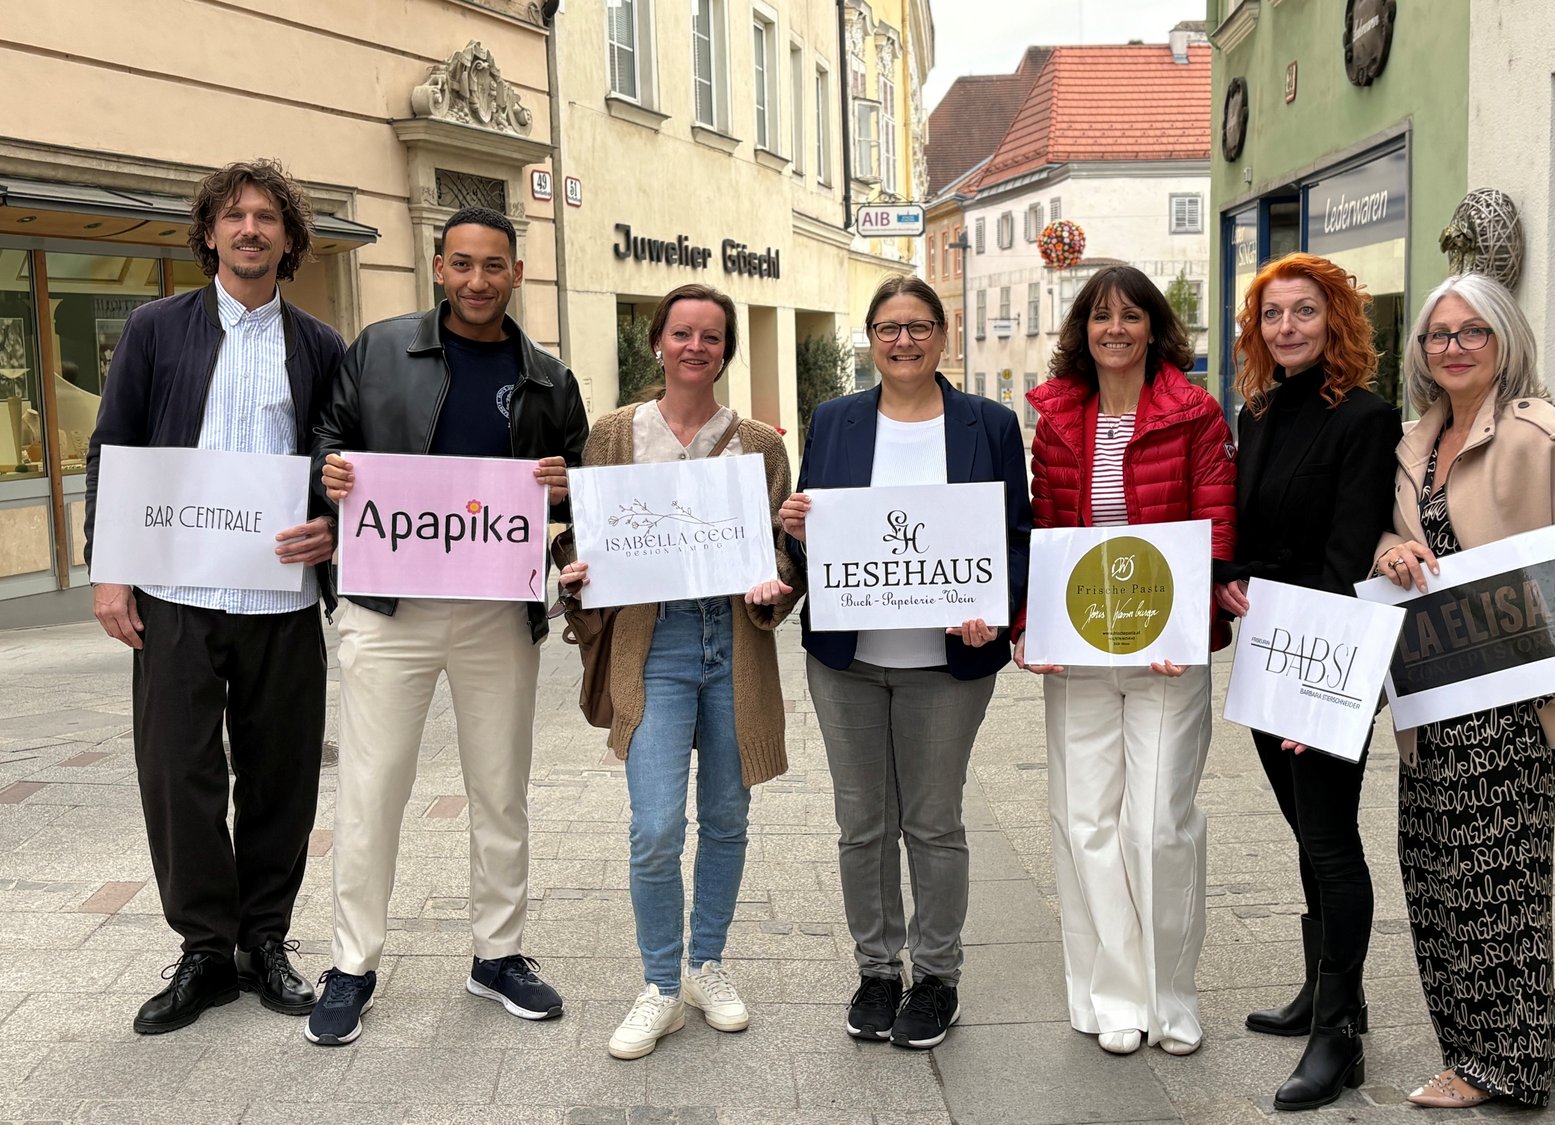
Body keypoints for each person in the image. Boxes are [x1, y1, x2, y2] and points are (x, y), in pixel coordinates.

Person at [307, 205, 589, 1046]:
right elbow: (329, 436)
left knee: (500, 788)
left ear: (515, 272)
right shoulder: (380, 349)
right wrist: (329, 473)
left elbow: (582, 482)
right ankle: (352, 963)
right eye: (461, 264)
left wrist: (566, 485)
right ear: (438, 268)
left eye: (493, 265)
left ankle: (497, 954)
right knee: (372, 787)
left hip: (496, 607)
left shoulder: (546, 374)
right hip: (386, 605)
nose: (477, 280)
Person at [83, 159, 345, 1034]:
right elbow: (112, 447)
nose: (250, 229)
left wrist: (332, 530)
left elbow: (343, 472)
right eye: (234, 216)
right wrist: (109, 568)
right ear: (209, 235)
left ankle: (264, 938)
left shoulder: (319, 346)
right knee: (177, 771)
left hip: (278, 597)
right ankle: (204, 948)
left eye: (267, 216)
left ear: (288, 237)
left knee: (280, 774)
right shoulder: (158, 330)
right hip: (173, 591)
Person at [1376, 273, 1555, 1109]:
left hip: (1508, 702)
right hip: (1431, 695)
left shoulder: (1550, 439)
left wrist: (1528, 660)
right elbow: (1403, 536)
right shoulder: (1414, 441)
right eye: (1437, 335)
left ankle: (1496, 1061)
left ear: (1505, 338)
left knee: (1497, 879)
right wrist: (1389, 553)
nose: (1451, 347)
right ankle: (1532, 1032)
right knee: (1433, 868)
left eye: (1470, 332)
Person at [778, 276, 1031, 1050]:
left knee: (933, 820)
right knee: (862, 821)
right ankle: (877, 971)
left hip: (945, 660)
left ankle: (937, 977)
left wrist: (1001, 606)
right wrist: (792, 527)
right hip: (848, 658)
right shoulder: (834, 420)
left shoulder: (988, 423)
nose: (903, 341)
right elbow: (818, 534)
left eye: (919, 326)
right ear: (871, 338)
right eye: (888, 328)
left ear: (943, 335)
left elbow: (1017, 534)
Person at [555, 283, 800, 1061]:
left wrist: (777, 577)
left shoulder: (759, 441)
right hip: (653, 643)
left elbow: (778, 546)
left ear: (726, 349)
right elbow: (579, 536)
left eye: (712, 336)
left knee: (726, 816)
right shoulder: (614, 434)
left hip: (730, 643)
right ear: (657, 341)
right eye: (683, 333)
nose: (697, 347)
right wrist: (574, 570)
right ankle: (659, 982)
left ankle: (706, 964)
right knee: (656, 825)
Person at [1018, 264, 1236, 1056]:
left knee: (1157, 826)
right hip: (1078, 653)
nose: (1115, 329)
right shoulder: (1057, 420)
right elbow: (1045, 531)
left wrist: (1189, 623)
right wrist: (1031, 626)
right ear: (1083, 330)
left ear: (1154, 328)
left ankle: (1171, 996)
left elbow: (1214, 529)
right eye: (1101, 316)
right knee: (1084, 823)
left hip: (1166, 656)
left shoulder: (1196, 413)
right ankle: (1112, 997)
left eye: (1131, 316)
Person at [1211, 253, 1402, 1110]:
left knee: (1331, 839)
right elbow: (1255, 528)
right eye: (1274, 314)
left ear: (1337, 323)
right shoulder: (1257, 413)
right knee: (1304, 832)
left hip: (1326, 653)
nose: (1288, 327)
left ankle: (1341, 1037)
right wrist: (1232, 573)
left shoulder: (1366, 418)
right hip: (1269, 645)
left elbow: (1348, 548)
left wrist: (1313, 688)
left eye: (1306, 312)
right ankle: (1327, 991)